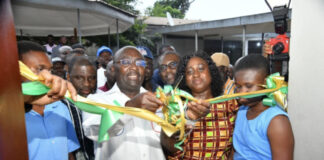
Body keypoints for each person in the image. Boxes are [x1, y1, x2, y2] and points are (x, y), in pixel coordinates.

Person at [82, 46, 210, 160]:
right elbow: (94, 132)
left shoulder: (160, 102)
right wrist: (131, 107)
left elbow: (171, 147)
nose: (133, 67)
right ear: (114, 69)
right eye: (126, 62)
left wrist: (185, 120)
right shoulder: (96, 101)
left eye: (140, 62)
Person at [162, 52, 238, 160]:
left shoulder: (230, 105)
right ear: (185, 79)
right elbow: (169, 148)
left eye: (201, 69)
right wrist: (186, 120)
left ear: (211, 73)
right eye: (189, 72)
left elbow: (235, 147)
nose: (196, 74)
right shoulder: (176, 108)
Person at [18, 41, 80, 160]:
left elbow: (69, 152)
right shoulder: (7, 114)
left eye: (49, 70)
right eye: (39, 69)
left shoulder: (60, 107)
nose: (48, 76)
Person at [233, 54, 294, 160]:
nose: (241, 93)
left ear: (266, 83)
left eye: (249, 86)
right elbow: (237, 151)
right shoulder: (242, 111)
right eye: (238, 87)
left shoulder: (276, 121)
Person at [65, 56, 97, 160]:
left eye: (92, 78)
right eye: (79, 78)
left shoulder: (102, 103)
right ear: (68, 77)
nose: (87, 84)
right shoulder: (59, 106)